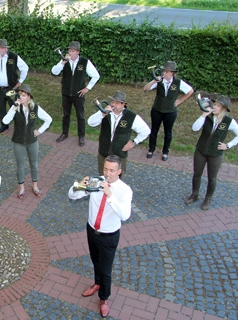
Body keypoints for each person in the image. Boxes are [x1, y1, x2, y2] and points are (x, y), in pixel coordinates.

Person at [68, 155, 132, 318]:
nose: (107, 173)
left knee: (105, 269)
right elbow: (72, 196)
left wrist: (110, 195)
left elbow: (124, 215)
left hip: (109, 236)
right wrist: (79, 187)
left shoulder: (124, 190)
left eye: (111, 170)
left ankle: (104, 298)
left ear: (119, 171)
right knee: (95, 261)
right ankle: (97, 283)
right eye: (105, 169)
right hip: (92, 230)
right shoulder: (96, 181)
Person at [185, 95, 238, 210]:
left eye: (218, 106)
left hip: (215, 154)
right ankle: (194, 194)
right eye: (215, 104)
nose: (215, 107)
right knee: (197, 174)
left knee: (212, 178)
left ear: (223, 109)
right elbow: (194, 128)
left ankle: (208, 199)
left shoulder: (229, 121)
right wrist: (203, 115)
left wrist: (227, 145)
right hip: (201, 150)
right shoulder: (207, 116)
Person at [2, 84, 52, 198]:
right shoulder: (15, 107)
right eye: (20, 95)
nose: (21, 97)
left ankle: (35, 186)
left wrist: (39, 131)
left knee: (34, 164)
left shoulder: (35, 108)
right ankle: (21, 188)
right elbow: (5, 121)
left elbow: (48, 119)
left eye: (23, 95)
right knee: (20, 165)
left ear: (29, 96)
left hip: (32, 141)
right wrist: (14, 108)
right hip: (18, 141)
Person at [87, 90, 150, 176]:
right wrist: (102, 114)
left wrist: (134, 142)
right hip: (103, 153)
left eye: (117, 103)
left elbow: (146, 131)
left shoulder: (131, 116)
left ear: (123, 104)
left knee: (118, 179)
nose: (113, 104)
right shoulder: (105, 112)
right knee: (102, 176)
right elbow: (90, 123)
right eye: (112, 101)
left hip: (119, 155)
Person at [51, 41, 100, 147]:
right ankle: (64, 133)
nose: (70, 53)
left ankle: (81, 136)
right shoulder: (64, 61)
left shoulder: (84, 61)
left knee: (80, 116)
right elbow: (54, 72)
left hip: (79, 94)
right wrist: (62, 63)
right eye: (69, 51)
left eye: (73, 51)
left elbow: (96, 76)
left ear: (78, 52)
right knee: (66, 115)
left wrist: (87, 88)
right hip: (66, 93)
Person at [144, 61, 193, 161]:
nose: (164, 73)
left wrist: (179, 101)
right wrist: (154, 81)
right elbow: (146, 89)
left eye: (167, 71)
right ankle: (151, 149)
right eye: (164, 71)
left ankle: (165, 152)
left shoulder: (178, 82)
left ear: (172, 73)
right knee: (154, 131)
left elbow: (190, 91)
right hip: (157, 110)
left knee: (168, 132)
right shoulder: (159, 81)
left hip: (170, 112)